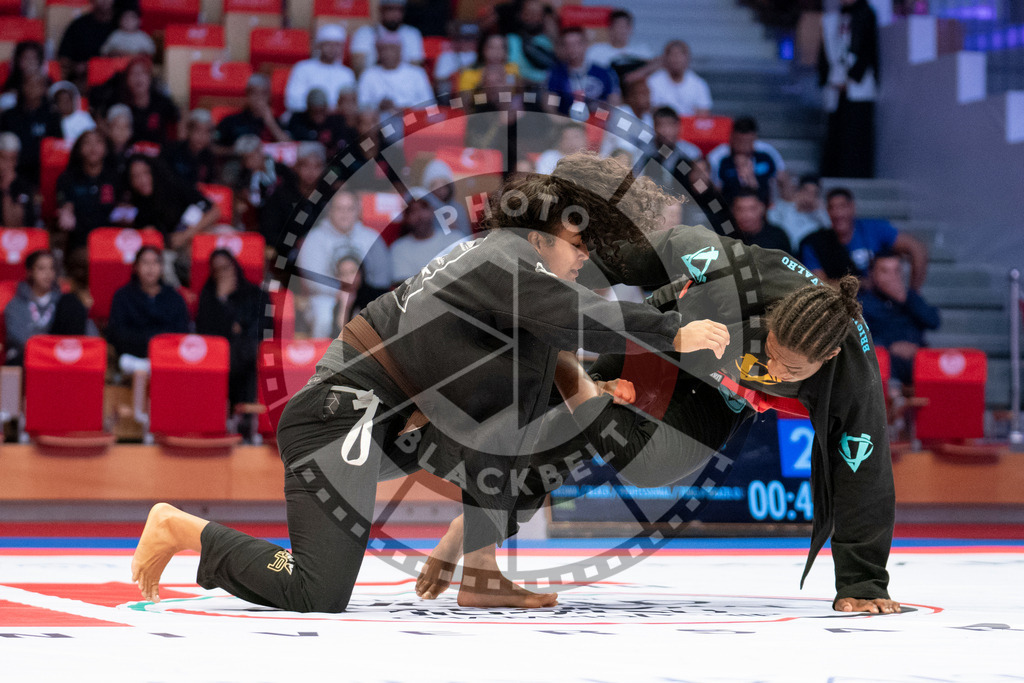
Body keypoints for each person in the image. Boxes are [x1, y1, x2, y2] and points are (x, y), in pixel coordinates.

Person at [131, 155, 726, 612]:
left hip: (393, 419)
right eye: (580, 247)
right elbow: (579, 316)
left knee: (539, 399)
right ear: (545, 232)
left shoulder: (506, 260)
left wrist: (592, 398)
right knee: (318, 590)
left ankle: (481, 569)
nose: (582, 264)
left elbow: (555, 344)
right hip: (340, 416)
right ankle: (182, 528)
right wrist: (672, 332)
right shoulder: (506, 261)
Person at [417, 191, 899, 614]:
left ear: (830, 357)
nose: (776, 371)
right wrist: (561, 282)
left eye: (791, 373)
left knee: (649, 464)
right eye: (771, 354)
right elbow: (670, 246)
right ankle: (483, 533)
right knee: (562, 427)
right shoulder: (742, 279)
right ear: (769, 316)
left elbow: (863, 474)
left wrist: (863, 581)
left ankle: (564, 367)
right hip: (678, 335)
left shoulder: (852, 379)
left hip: (725, 394)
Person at [295, 189, 391, 337]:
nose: (344, 213)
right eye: (339, 208)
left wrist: (359, 295)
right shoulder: (314, 238)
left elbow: (382, 277)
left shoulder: (371, 238)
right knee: (324, 315)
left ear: (358, 210)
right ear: (330, 211)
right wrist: (343, 294)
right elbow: (312, 281)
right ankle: (323, 358)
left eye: (349, 208)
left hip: (365, 295)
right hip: (325, 297)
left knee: (380, 312)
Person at [800, 188, 928, 289]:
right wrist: (861, 284)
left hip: (881, 303)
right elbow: (820, 284)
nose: (838, 213)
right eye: (832, 208)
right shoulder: (816, 243)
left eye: (842, 206)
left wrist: (913, 292)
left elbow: (917, 248)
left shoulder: (874, 229)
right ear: (827, 212)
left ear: (852, 207)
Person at [196, 249, 261, 416]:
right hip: (218, 355)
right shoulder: (209, 296)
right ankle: (224, 414)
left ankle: (247, 416)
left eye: (226, 267)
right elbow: (206, 333)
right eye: (218, 270)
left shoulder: (255, 294)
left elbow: (261, 328)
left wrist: (238, 328)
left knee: (250, 353)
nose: (224, 274)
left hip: (249, 353)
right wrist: (222, 300)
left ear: (235, 267)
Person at [858, 252, 940, 385]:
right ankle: (895, 397)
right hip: (883, 363)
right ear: (872, 274)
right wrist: (890, 346)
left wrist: (906, 299)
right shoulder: (862, 304)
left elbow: (934, 322)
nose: (892, 277)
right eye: (885, 271)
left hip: (915, 361)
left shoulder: (910, 298)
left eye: (896, 271)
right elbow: (857, 339)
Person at [106, 245, 190, 374]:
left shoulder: (175, 297)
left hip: (168, 358)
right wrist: (149, 341)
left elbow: (181, 332)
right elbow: (117, 333)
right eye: (145, 262)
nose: (150, 268)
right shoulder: (122, 296)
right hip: (133, 358)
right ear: (136, 267)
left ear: (162, 267)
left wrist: (158, 345)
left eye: (155, 262)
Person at [819, 0, 879, 178]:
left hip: (858, 85)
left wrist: (853, 77)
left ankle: (854, 173)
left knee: (856, 134)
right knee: (836, 133)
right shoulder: (832, 18)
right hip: (836, 81)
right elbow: (827, 51)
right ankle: (834, 172)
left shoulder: (865, 14)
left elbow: (868, 47)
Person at [123, 155, 221, 252]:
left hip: (197, 234)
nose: (142, 180)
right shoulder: (137, 206)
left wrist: (185, 235)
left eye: (146, 173)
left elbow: (214, 212)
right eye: (135, 176)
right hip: (170, 251)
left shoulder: (174, 185)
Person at [55, 129, 120, 253]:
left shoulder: (116, 178)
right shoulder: (67, 179)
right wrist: (66, 210)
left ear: (106, 148)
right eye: (87, 143)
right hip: (79, 242)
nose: (93, 147)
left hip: (112, 242)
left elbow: (125, 205)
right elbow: (64, 204)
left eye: (98, 142)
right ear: (79, 149)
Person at [93, 57, 180, 146]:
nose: (138, 77)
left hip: (158, 155)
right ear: (126, 80)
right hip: (127, 155)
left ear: (150, 78)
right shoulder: (119, 102)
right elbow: (98, 117)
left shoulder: (162, 102)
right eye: (133, 73)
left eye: (143, 73)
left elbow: (179, 118)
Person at [389, 187, 466, 284]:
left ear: (433, 210)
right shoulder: (398, 249)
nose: (419, 216)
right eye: (412, 211)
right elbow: (406, 290)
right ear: (406, 217)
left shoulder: (455, 239)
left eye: (423, 208)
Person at [260, 141, 327, 250]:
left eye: (317, 166)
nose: (311, 172)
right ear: (296, 167)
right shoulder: (281, 196)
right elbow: (269, 234)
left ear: (324, 168)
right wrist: (295, 243)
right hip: (288, 256)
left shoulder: (329, 195)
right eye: (305, 165)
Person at [545, 27, 620, 119]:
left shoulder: (603, 73)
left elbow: (614, 102)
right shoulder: (556, 74)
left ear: (585, 45)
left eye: (577, 44)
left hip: (598, 123)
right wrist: (559, 120)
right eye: (567, 45)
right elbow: (551, 105)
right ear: (562, 48)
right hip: (566, 123)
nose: (572, 49)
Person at [710, 116, 786, 206]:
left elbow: (782, 180)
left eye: (747, 142)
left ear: (754, 137)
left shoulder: (767, 153)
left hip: (763, 207)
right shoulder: (718, 157)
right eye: (739, 141)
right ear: (732, 137)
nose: (743, 146)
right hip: (728, 209)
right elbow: (714, 190)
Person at [0, 73, 60, 184]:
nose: (33, 88)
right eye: (29, 84)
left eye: (38, 84)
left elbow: (56, 145)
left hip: (42, 171)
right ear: (22, 86)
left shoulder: (52, 116)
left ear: (44, 89)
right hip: (13, 170)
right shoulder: (9, 115)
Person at [3, 250, 60, 366]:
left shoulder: (64, 303)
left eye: (52, 268)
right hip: (24, 359)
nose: (48, 273)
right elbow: (19, 339)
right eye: (41, 268)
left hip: (57, 360)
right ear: (30, 272)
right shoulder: (15, 305)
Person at [284, 24, 356, 114]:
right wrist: (321, 109)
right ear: (319, 46)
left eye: (337, 45)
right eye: (328, 44)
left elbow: (350, 104)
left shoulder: (347, 73)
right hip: (307, 118)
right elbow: (292, 101)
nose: (332, 48)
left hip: (337, 120)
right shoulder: (303, 68)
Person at [356, 33, 435, 113]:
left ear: (400, 50)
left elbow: (430, 104)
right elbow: (361, 105)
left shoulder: (417, 73)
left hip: (412, 120)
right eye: (383, 49)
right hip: (380, 122)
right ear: (378, 52)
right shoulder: (368, 75)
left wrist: (405, 109)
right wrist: (378, 106)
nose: (388, 53)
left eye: (392, 48)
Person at [349, 0, 425, 75]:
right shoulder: (365, 33)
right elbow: (358, 69)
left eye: (399, 10)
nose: (395, 14)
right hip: (373, 82)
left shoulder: (412, 34)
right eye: (390, 9)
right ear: (381, 10)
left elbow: (416, 69)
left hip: (404, 84)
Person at [214, 75, 290, 149]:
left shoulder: (277, 122)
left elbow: (289, 146)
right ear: (247, 95)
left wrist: (270, 122)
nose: (259, 98)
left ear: (269, 96)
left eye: (263, 94)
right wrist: (238, 152)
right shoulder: (230, 121)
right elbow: (214, 148)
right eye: (254, 93)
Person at [584, 9, 655, 85]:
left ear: (630, 29)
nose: (621, 31)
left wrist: (638, 73)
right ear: (610, 29)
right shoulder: (596, 51)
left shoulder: (641, 51)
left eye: (624, 27)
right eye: (618, 26)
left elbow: (661, 62)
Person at [639, 106, 702, 191]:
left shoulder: (691, 153)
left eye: (670, 125)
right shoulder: (644, 152)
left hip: (685, 200)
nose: (665, 131)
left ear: (678, 126)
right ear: (654, 127)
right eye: (660, 125)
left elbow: (702, 187)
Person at [57, 0, 117, 86]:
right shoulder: (78, 25)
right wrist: (77, 67)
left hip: (115, 82)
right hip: (83, 81)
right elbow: (63, 59)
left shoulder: (123, 25)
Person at [328, 251, 388, 337]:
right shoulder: (341, 301)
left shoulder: (377, 297)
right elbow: (338, 338)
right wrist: (345, 307)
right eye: (343, 274)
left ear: (361, 272)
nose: (349, 278)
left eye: (353, 272)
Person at [646, 41, 712, 117]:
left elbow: (703, 115)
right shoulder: (652, 82)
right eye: (673, 55)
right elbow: (650, 111)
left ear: (687, 58)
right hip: (661, 126)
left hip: (689, 127)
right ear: (665, 58)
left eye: (680, 55)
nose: (676, 59)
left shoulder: (699, 84)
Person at [767, 174, 830, 252]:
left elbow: (831, 232)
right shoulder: (785, 208)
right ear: (799, 191)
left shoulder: (819, 217)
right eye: (806, 191)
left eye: (814, 193)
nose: (809, 196)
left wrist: (820, 211)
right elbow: (770, 220)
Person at [284, 89, 356, 155]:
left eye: (321, 111)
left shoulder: (336, 121)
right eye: (315, 112)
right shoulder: (298, 120)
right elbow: (286, 143)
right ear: (308, 109)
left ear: (326, 108)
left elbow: (344, 146)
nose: (318, 116)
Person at [159, 109, 217, 186]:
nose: (201, 136)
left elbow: (208, 184)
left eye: (206, 132)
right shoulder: (171, 151)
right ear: (189, 131)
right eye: (198, 131)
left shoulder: (208, 157)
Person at [599, 79, 653, 162]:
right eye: (642, 94)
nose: (647, 97)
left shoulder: (648, 117)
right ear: (630, 97)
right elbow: (625, 148)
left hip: (636, 165)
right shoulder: (620, 115)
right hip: (612, 163)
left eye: (648, 93)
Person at [505, 0, 557, 86]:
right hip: (518, 92)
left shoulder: (549, 42)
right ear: (520, 15)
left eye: (537, 13)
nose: (532, 17)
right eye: (528, 13)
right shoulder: (511, 40)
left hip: (546, 91)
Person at [729, 188, 792, 253]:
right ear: (733, 211)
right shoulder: (727, 236)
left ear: (762, 208)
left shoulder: (778, 237)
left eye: (752, 209)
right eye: (740, 209)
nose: (746, 215)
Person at [421, 158, 471, 236]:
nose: (441, 191)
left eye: (444, 186)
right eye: (435, 186)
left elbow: (466, 236)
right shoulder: (423, 212)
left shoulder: (458, 209)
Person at [0, 133, 37, 228]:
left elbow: (13, 225)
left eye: (12, 159)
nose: (8, 164)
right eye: (3, 158)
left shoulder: (23, 186)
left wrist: (6, 190)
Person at [1, 41, 48, 112]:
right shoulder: (9, 92)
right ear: (18, 61)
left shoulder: (49, 86)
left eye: (34, 58)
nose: (30, 62)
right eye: (26, 58)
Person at [435, 22, 482, 91]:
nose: (468, 42)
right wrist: (458, 73)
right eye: (465, 38)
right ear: (457, 39)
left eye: (472, 38)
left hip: (477, 89)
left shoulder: (483, 55)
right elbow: (439, 80)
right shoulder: (446, 56)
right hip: (454, 91)